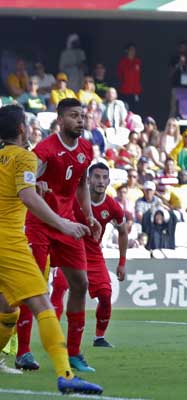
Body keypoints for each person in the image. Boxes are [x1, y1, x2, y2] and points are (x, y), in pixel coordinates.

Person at [0, 105, 103, 393]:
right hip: (8, 243)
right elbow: (27, 196)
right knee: (42, 304)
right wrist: (63, 223)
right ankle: (66, 376)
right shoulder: (24, 157)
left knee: (7, 308)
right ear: (22, 130)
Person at [51, 164, 127, 349]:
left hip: (93, 254)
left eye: (104, 178)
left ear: (109, 181)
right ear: (88, 180)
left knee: (105, 295)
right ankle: (53, 335)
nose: (101, 181)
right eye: (97, 177)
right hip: (69, 249)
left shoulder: (113, 206)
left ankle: (99, 338)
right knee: (60, 287)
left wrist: (122, 263)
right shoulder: (75, 197)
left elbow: (123, 232)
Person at [117, 43, 142, 113]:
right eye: (131, 50)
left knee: (135, 111)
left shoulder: (137, 61)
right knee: (125, 110)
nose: (133, 52)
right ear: (127, 51)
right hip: (125, 91)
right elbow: (120, 76)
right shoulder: (122, 62)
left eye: (134, 50)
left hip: (135, 91)